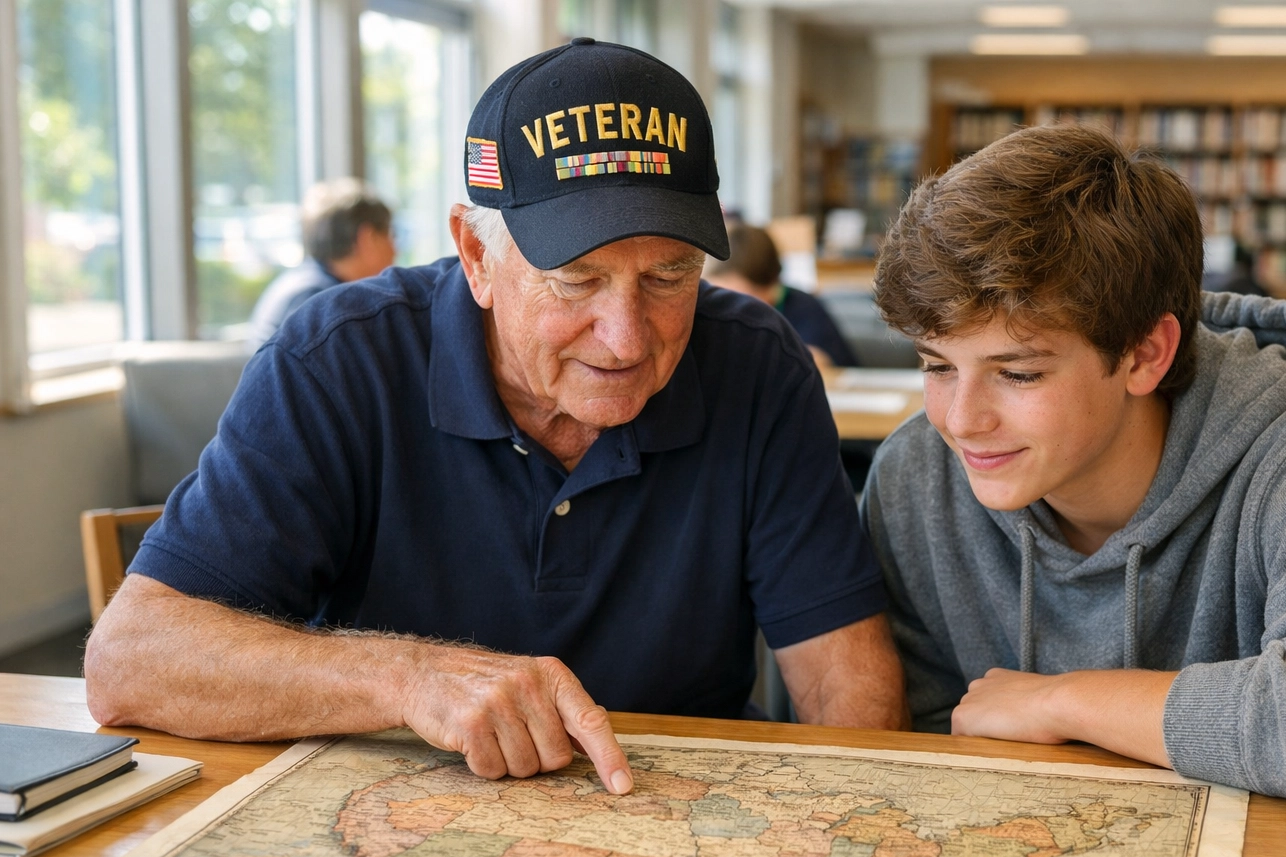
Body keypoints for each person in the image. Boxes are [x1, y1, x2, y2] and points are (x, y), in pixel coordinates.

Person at [86, 39, 904, 796]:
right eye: (577, 280)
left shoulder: (757, 363)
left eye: (669, 277)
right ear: (477, 256)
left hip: (679, 821)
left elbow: (846, 686)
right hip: (389, 819)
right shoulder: (338, 357)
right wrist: (411, 679)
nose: (626, 340)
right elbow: (131, 661)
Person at [861, 124, 1286, 816]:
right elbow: (932, 741)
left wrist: (1064, 700)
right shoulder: (916, 478)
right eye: (936, 366)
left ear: (1146, 354)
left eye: (1017, 373)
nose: (960, 420)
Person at [246, 178, 396, 347]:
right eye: (390, 236)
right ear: (368, 239)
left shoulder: (307, 284)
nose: (395, 249)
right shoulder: (321, 300)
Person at [705, 223, 860, 368]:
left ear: (771, 287)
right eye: (715, 294)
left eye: (735, 299)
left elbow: (819, 362)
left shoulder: (804, 308)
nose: (724, 308)